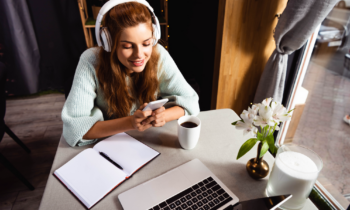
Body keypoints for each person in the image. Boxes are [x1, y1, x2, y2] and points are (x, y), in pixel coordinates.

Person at [61, 0, 200, 147]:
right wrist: (130, 122)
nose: (139, 54)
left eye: (146, 43)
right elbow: (74, 130)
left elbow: (191, 102)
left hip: (148, 143)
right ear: (108, 42)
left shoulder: (158, 53)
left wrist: (163, 116)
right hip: (106, 146)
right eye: (127, 46)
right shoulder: (90, 61)